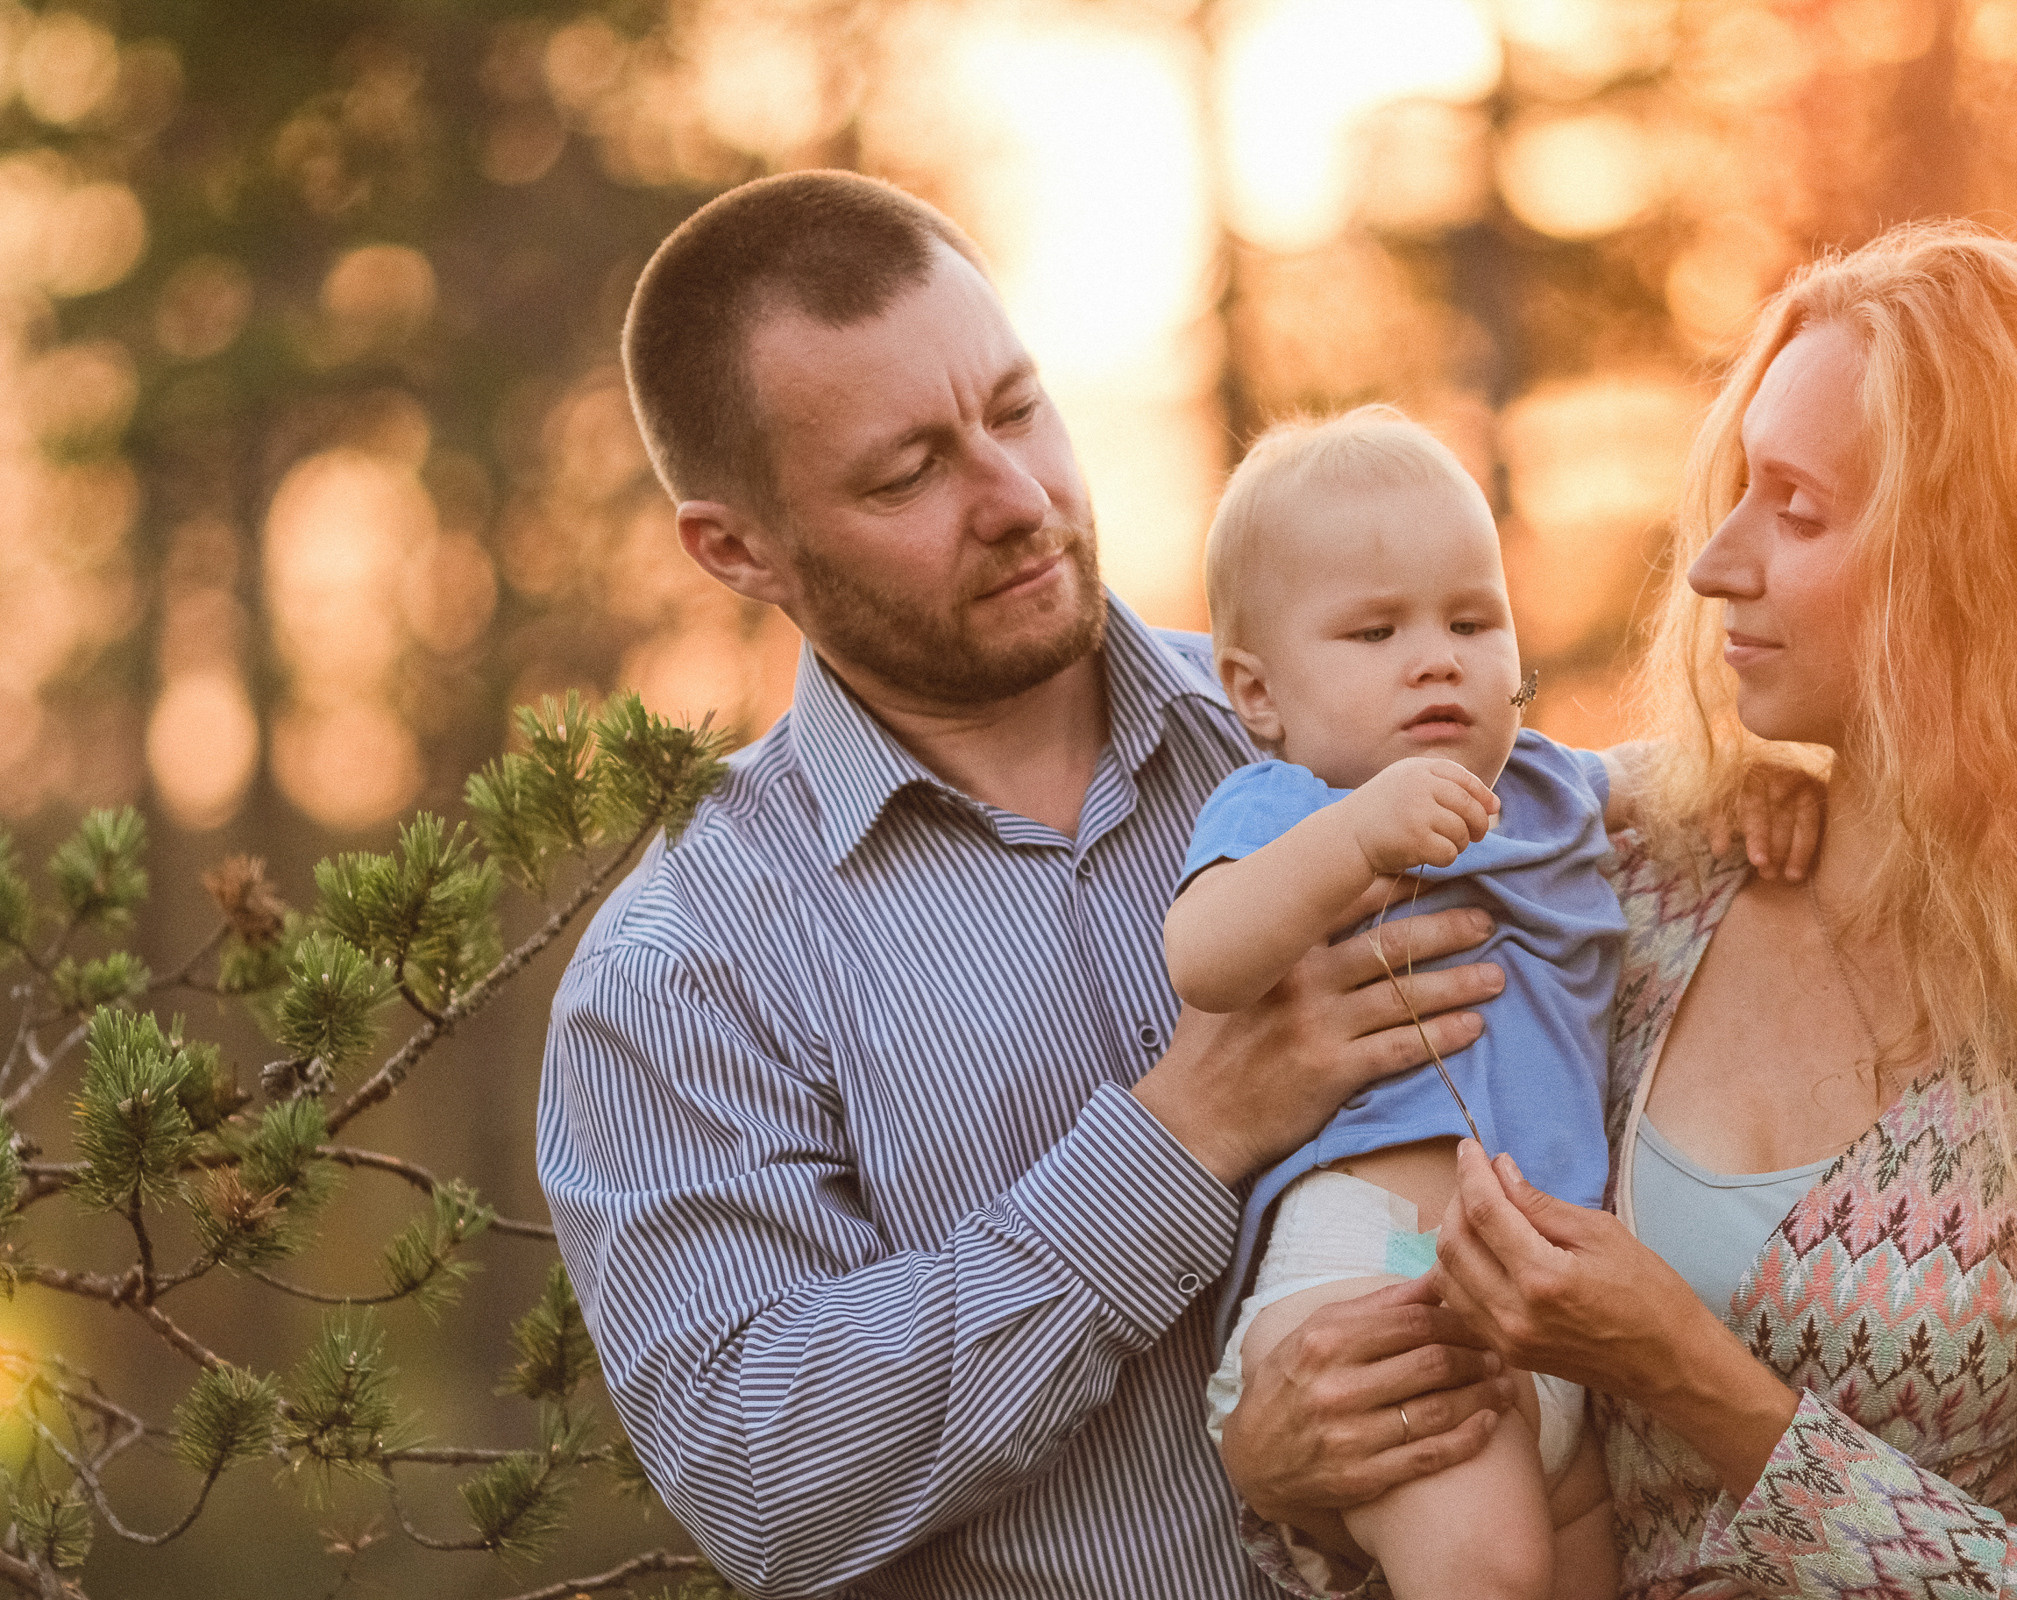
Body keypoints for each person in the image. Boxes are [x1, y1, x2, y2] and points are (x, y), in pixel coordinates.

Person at [1219, 221, 2017, 1599]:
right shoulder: (1630, 862)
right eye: (1736, 493)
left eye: (1795, 508)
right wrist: (1280, 1459)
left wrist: (1702, 1385)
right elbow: (1322, 1124)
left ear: (1979, 563)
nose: (1715, 563)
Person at [536, 171, 1517, 1599]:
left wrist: (1778, 796)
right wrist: (1182, 1138)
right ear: (736, 548)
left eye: (1014, 410)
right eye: (907, 473)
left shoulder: (1330, 724)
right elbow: (767, 1477)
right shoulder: (679, 975)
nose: (1016, 498)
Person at [1167, 409, 1619, 1599]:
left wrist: (1765, 789)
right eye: (1376, 631)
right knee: (1490, 1571)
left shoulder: (1544, 788)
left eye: (1472, 620)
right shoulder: (1289, 802)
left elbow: (1667, 786)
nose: (1437, 657)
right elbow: (1205, 955)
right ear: (1256, 692)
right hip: (1381, 1276)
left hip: (1542, 1311)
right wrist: (1352, 839)